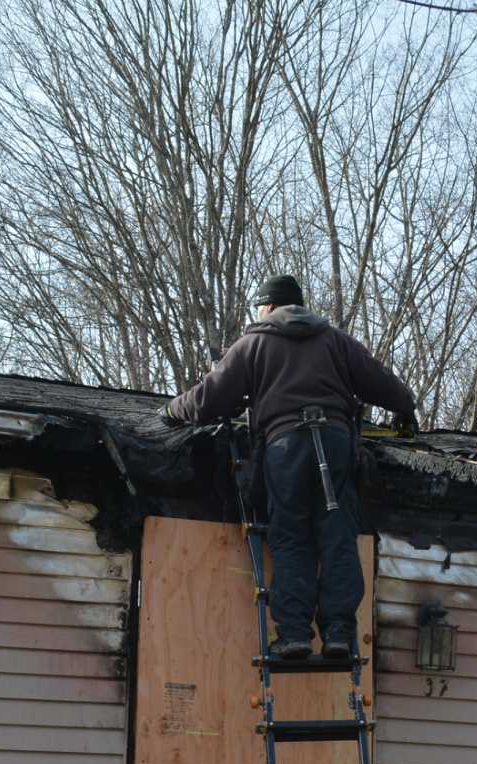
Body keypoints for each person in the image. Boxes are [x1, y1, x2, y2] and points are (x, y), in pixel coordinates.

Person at [159, 274, 417, 658]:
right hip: (335, 443)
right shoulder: (336, 341)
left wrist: (169, 411)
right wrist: (405, 408)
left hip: (285, 448)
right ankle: (339, 635)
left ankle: (295, 634)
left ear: (268, 306)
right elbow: (385, 384)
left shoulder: (254, 343)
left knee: (290, 535)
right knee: (337, 536)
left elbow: (208, 398)